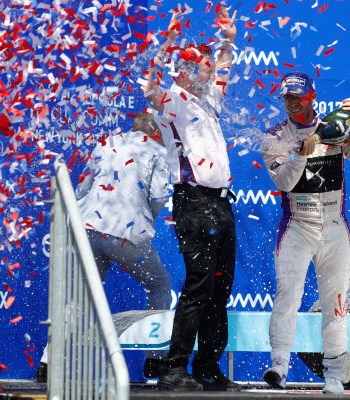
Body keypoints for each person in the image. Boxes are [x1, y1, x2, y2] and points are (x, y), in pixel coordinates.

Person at [260, 71, 350, 395]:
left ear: (312, 97)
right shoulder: (274, 136)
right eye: (287, 97)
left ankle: (332, 375)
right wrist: (300, 154)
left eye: (298, 97)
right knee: (288, 296)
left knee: (336, 303)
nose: (292, 103)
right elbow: (284, 182)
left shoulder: (335, 127)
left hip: (334, 228)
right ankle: (279, 367)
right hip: (296, 226)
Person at [142, 7, 240, 392]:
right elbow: (149, 87)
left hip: (220, 203)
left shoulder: (208, 101)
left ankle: (208, 367)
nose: (208, 70)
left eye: (207, 64)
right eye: (201, 65)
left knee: (220, 286)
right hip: (194, 203)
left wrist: (228, 41)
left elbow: (224, 72)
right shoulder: (175, 100)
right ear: (182, 71)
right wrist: (166, 43)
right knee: (199, 286)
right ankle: (174, 367)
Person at [35, 113, 172, 382]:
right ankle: (156, 362)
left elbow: (83, 188)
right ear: (156, 131)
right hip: (126, 233)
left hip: (89, 228)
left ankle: (47, 362)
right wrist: (147, 219)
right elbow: (158, 195)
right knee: (159, 284)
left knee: (79, 298)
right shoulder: (157, 150)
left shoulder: (107, 142)